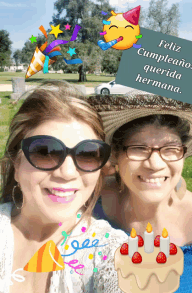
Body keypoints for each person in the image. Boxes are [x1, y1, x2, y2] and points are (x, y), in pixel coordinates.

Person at [0, 80, 128, 293]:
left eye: (88, 154)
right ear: (16, 163)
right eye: (45, 152)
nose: (67, 173)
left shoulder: (111, 251)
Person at [89, 93, 192, 293]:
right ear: (115, 155)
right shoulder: (88, 205)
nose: (155, 164)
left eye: (170, 149)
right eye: (139, 148)